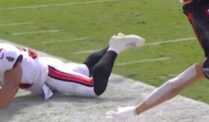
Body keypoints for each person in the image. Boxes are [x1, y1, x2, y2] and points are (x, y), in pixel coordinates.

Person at [0, 34, 144, 108]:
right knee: (86, 69)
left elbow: (5, 98)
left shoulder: (5, 57)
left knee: (94, 87)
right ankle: (115, 43)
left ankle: (115, 48)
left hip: (49, 74)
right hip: (44, 68)